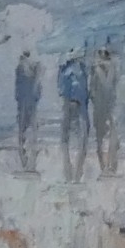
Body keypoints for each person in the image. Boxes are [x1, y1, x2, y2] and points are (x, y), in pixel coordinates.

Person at [57, 49, 92, 180]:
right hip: (79, 105)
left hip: (71, 104)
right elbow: (84, 90)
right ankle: (76, 171)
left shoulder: (65, 69)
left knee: (66, 137)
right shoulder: (81, 70)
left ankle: (70, 170)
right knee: (81, 137)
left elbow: (60, 89)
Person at [88, 46, 120, 176]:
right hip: (102, 108)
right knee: (103, 138)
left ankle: (110, 166)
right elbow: (92, 91)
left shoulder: (110, 70)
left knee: (109, 138)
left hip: (108, 107)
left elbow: (92, 91)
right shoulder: (97, 71)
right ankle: (106, 167)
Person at [12, 48, 43, 174]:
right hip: (29, 102)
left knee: (24, 131)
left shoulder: (22, 68)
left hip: (25, 102)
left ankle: (27, 162)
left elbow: (18, 88)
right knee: (30, 131)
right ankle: (29, 162)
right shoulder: (33, 68)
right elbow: (37, 89)